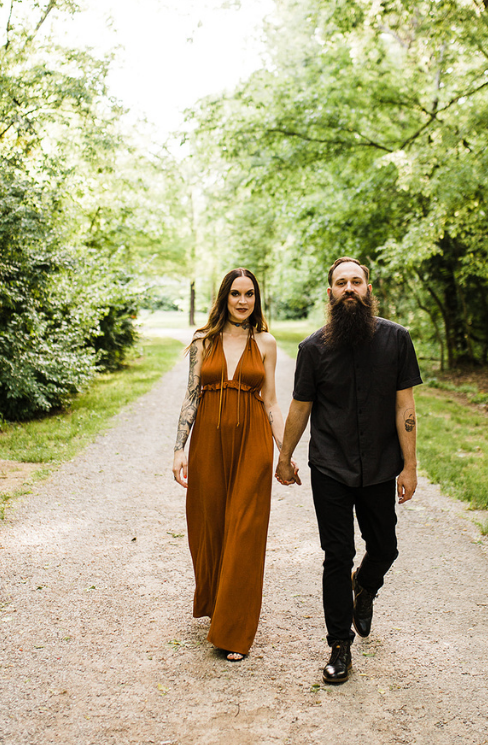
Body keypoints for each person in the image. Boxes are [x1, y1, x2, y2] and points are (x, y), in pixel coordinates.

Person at [276, 257, 421, 685]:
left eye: (356, 281)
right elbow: (300, 409)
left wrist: (409, 466)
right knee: (336, 556)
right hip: (331, 468)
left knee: (386, 547)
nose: (350, 288)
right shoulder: (312, 349)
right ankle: (339, 646)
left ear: (368, 287)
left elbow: (405, 407)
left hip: (379, 467)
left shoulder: (397, 340)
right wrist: (284, 457)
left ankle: (366, 585)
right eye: (342, 283)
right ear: (331, 294)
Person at [172, 267, 289, 661]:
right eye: (236, 294)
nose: (243, 301)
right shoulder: (204, 340)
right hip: (207, 442)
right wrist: (178, 449)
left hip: (253, 444)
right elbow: (191, 397)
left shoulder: (267, 343)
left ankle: (234, 631)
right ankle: (216, 604)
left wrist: (285, 453)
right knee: (209, 525)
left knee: (245, 527)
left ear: (257, 299)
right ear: (224, 298)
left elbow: (271, 402)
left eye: (250, 294)